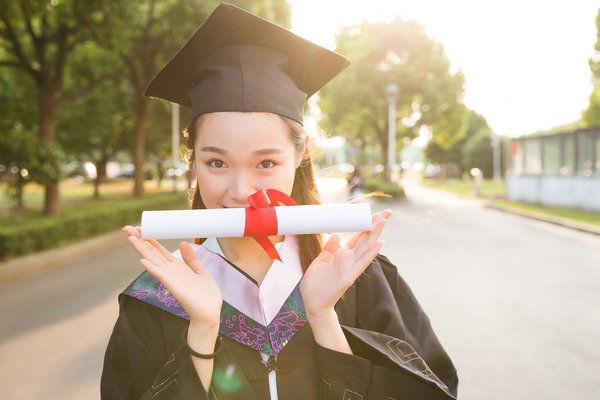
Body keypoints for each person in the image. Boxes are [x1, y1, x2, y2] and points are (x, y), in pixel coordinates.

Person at [101, 3, 458, 399]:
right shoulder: (158, 300)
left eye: (266, 162)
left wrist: (324, 319)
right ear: (193, 162)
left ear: (299, 157)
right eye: (216, 162)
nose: (240, 191)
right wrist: (201, 333)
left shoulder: (358, 278)